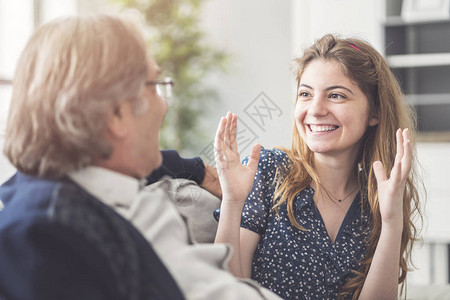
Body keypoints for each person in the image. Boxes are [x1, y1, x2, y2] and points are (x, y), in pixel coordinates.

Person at [0, 13, 280, 300]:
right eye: (154, 86)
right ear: (117, 113)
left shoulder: (124, 201)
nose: (163, 106)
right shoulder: (44, 237)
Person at [213, 34, 422, 300]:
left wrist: (392, 222)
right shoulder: (268, 171)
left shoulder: (379, 197)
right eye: (305, 94)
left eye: (336, 95)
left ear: (375, 112)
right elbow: (225, 292)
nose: (316, 109)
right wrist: (232, 201)